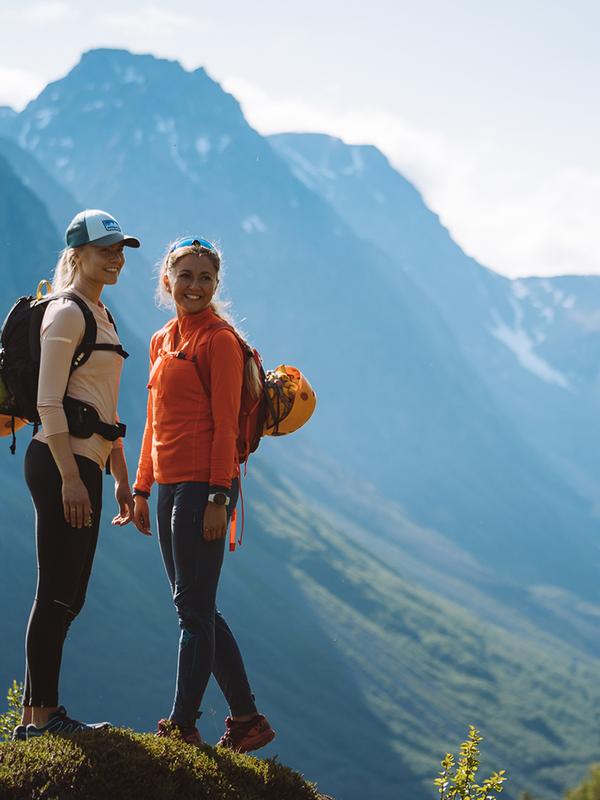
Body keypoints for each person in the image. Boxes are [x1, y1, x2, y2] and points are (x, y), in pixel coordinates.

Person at [132, 236, 275, 752]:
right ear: (166, 280)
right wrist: (143, 487)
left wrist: (219, 497)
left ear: (217, 285)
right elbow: (153, 420)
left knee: (192, 611)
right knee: (197, 608)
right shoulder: (161, 339)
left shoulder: (218, 340)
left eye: (205, 278)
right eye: (184, 276)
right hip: (169, 487)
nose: (194, 286)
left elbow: (222, 426)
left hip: (204, 487)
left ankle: (181, 726)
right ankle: (247, 720)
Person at [14, 210, 142, 740]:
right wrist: (70, 476)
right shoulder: (67, 313)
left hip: (85, 462)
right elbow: (49, 402)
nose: (116, 258)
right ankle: (43, 717)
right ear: (77, 255)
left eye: (120, 250)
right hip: (57, 460)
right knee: (56, 591)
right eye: (106, 249)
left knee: (71, 593)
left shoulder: (102, 314)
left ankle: (34, 716)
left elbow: (103, 407)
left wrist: (120, 477)